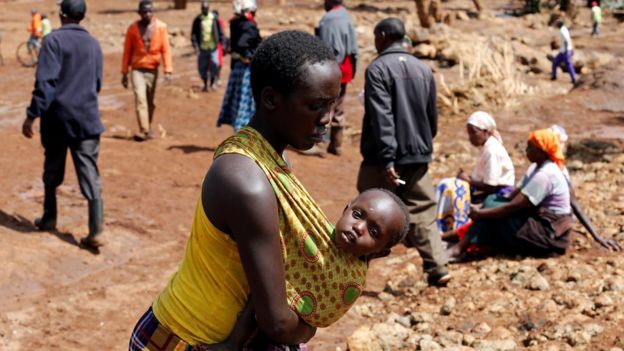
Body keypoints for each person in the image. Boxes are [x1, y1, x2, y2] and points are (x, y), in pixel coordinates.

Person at [129, 30, 383, 350]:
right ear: (270, 99)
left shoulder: (259, 155)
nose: (327, 119)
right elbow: (276, 321)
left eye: (332, 104)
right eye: (315, 105)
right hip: (188, 339)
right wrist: (309, 329)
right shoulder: (247, 182)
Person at [356, 18, 450, 287]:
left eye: (375, 37)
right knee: (422, 210)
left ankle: (352, 270)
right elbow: (432, 116)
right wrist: (423, 144)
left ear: (383, 36)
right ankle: (438, 268)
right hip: (417, 153)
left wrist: (387, 158)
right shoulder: (423, 69)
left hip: (383, 157)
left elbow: (381, 117)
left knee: (367, 209)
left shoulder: (377, 69)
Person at [22, 0, 105, 250]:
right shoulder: (94, 44)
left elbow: (46, 83)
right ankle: (96, 229)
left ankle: (49, 217)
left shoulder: (53, 41)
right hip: (87, 119)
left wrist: (31, 115)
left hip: (57, 119)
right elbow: (98, 82)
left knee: (52, 169)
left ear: (61, 15)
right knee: (89, 172)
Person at [448, 128, 575, 259]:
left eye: (530, 148)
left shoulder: (545, 174)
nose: (526, 151)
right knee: (491, 201)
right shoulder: (536, 168)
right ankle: (465, 244)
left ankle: (460, 247)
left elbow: (515, 206)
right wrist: (486, 206)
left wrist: (481, 213)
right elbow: (511, 196)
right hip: (540, 223)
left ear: (541, 151)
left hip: (549, 235)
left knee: (491, 214)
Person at [436, 111, 515, 234]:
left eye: (473, 132)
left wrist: (468, 180)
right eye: (469, 133)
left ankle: (456, 230)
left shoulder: (492, 151)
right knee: (448, 186)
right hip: (490, 192)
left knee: (453, 191)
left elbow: (491, 186)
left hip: (498, 195)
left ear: (485, 132)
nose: (470, 137)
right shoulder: (486, 147)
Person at [549, 125, 621, 251]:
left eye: (561, 144)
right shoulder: (552, 168)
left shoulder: (554, 168)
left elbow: (573, 202)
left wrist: (597, 236)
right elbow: (574, 203)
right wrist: (597, 236)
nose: (561, 147)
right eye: (559, 143)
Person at [121, 0, 173, 142]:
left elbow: (166, 49)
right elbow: (127, 51)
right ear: (139, 13)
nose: (147, 14)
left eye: (150, 11)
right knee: (140, 99)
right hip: (137, 69)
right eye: (144, 12)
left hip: (153, 69)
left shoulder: (161, 27)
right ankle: (143, 130)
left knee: (150, 101)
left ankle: (148, 126)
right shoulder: (132, 29)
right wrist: (124, 72)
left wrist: (168, 70)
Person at [314, 0, 358, 156]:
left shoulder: (328, 19)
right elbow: (354, 48)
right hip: (345, 69)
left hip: (331, 68)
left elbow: (324, 49)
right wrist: (353, 70)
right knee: (339, 105)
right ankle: (336, 144)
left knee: (325, 106)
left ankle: (320, 144)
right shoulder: (347, 17)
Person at [216, 0, 261, 132]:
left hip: (237, 67)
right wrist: (249, 56)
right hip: (246, 70)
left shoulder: (235, 23)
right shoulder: (249, 25)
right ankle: (243, 131)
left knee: (237, 99)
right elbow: (242, 44)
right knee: (246, 102)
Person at [191, 1, 225, 92]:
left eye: (206, 9)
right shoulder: (198, 20)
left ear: (208, 9)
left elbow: (220, 32)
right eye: (203, 9)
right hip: (202, 48)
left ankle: (213, 82)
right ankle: (205, 83)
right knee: (202, 68)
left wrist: (223, 43)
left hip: (213, 47)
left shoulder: (214, 18)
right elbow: (194, 34)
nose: (204, 10)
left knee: (215, 64)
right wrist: (195, 45)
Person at [551, 19, 576, 85]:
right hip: (564, 50)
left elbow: (566, 40)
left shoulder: (563, 30)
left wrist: (566, 49)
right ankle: (554, 76)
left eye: (557, 24)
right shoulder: (564, 29)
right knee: (555, 62)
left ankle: (574, 78)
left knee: (568, 64)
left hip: (565, 51)